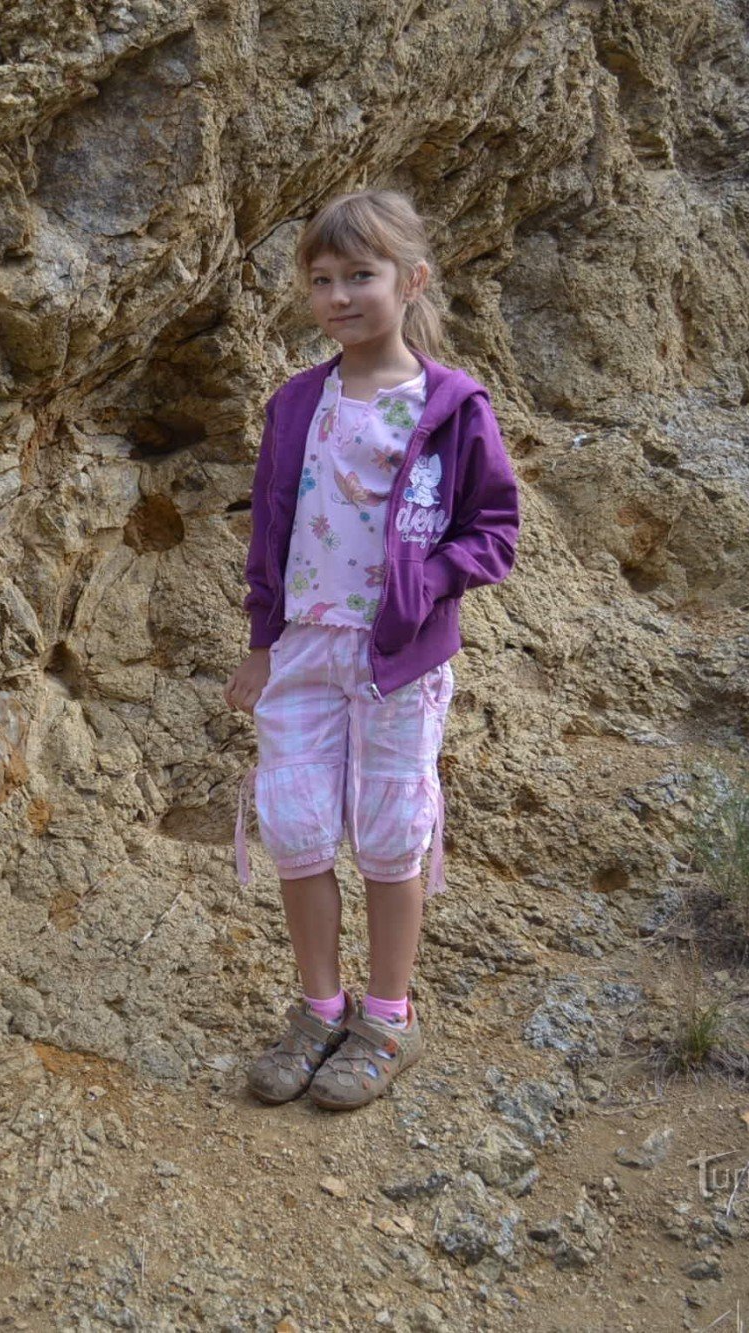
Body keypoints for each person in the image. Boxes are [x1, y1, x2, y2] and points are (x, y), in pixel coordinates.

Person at [223, 188, 520, 1111]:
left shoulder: (451, 406)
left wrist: (428, 582)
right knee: (297, 825)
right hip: (303, 648)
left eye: (361, 275)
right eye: (321, 280)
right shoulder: (295, 405)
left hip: (401, 658)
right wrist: (261, 642)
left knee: (392, 834)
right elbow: (270, 532)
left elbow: (494, 531)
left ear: (413, 280)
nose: (339, 296)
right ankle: (321, 1009)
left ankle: (388, 1015)